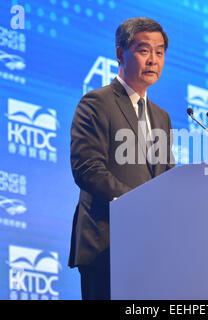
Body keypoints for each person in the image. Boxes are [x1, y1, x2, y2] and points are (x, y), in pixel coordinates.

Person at [68, 17, 174, 300]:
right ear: (119, 53)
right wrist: (136, 205)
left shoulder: (161, 117)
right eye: (144, 50)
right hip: (107, 246)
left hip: (151, 251)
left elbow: (167, 177)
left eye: (159, 52)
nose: (153, 60)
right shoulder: (96, 102)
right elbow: (87, 168)